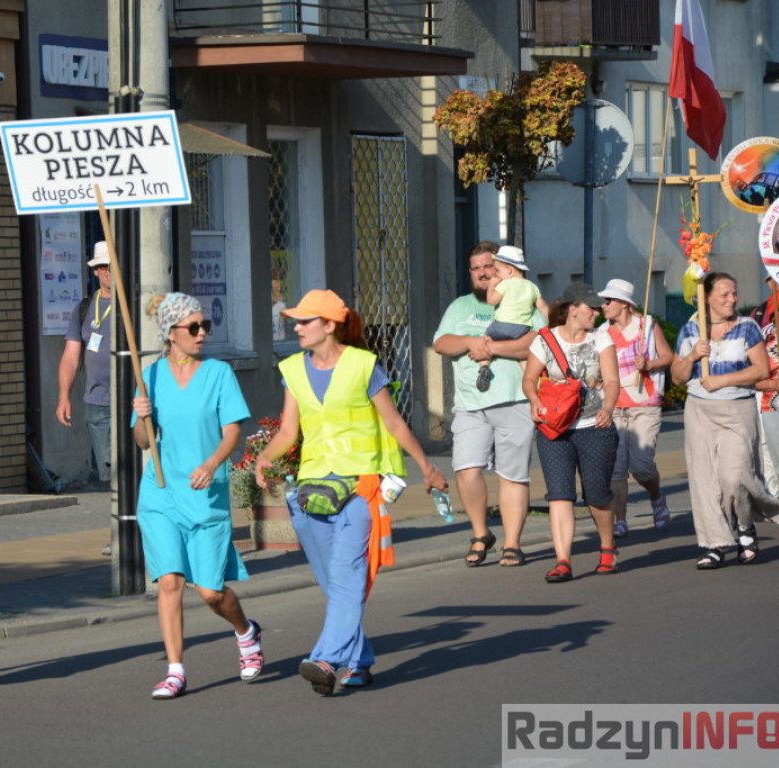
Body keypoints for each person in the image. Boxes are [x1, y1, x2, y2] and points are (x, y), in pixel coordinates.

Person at [253, 289, 447, 696]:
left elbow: (394, 424)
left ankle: (325, 658)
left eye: (305, 321)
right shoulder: (292, 368)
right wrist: (266, 458)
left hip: (360, 488)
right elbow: (290, 431)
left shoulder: (364, 366)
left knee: (346, 578)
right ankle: (358, 661)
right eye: (297, 320)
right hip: (311, 492)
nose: (297, 327)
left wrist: (427, 467)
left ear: (329, 325)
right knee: (334, 583)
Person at [131, 293, 262, 700]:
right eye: (193, 327)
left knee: (210, 592)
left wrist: (211, 464)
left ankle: (246, 631)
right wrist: (142, 415)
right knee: (169, 581)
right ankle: (175, 670)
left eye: (205, 326)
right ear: (171, 334)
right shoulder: (149, 376)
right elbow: (141, 442)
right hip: (161, 492)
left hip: (205, 493)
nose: (202, 333)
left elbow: (233, 432)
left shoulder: (219, 373)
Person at [433, 241, 546, 568]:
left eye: (489, 267)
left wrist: (493, 348)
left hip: (514, 400)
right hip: (470, 404)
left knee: (513, 475)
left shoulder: (523, 298)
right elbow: (441, 342)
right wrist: (470, 342)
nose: (483, 273)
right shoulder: (460, 307)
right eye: (477, 268)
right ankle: (481, 533)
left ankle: (512, 543)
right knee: (466, 469)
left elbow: (538, 341)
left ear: (504, 270)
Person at [671, 272, 779, 568]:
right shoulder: (690, 330)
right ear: (706, 298)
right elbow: (677, 377)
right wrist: (693, 356)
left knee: (736, 477)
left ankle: (745, 525)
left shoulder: (746, 327)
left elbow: (760, 370)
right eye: (724, 294)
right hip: (700, 410)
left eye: (734, 293)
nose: (732, 299)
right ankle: (714, 543)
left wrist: (723, 380)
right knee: (705, 480)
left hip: (737, 408)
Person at [522, 282, 619, 583]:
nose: (597, 312)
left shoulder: (601, 339)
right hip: (554, 429)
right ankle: (563, 560)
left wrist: (609, 408)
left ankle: (607, 545)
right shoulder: (544, 340)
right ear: (573, 309)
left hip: (595, 427)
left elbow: (613, 380)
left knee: (596, 494)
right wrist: (534, 399)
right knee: (560, 496)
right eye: (591, 307)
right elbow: (529, 379)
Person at [596, 279, 674, 538]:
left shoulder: (647, 327)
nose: (603, 305)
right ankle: (621, 520)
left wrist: (649, 365)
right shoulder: (602, 333)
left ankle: (657, 497)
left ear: (624, 304)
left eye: (608, 301)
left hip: (644, 405)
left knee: (641, 466)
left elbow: (668, 357)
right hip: (613, 406)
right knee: (616, 468)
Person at [57, 241, 113, 492]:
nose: (108, 272)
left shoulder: (135, 305)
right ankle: (123, 525)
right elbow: (71, 356)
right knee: (112, 475)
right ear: (95, 271)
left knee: (138, 471)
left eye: (112, 266)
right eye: (103, 267)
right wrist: (63, 396)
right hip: (98, 403)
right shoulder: (84, 308)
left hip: (135, 402)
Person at [477, 245, 549, 392]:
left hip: (501, 325)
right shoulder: (532, 286)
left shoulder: (505, 284)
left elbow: (492, 301)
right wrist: (551, 322)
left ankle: (484, 367)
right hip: (521, 328)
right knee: (521, 356)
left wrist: (492, 286)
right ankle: (532, 382)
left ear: (509, 271)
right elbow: (542, 307)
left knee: (484, 341)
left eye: (498, 270)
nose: (495, 274)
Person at [751, 278, 779, 499]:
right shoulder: (759, 315)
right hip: (770, 402)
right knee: (772, 454)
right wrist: (774, 383)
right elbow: (754, 375)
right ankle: (773, 495)